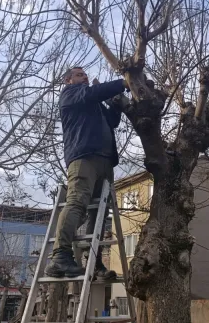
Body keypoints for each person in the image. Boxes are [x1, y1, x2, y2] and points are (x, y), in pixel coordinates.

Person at [45, 66, 129, 279]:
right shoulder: (71, 95)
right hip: (84, 157)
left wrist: (116, 106)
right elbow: (94, 93)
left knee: (99, 212)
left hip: (104, 160)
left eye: (86, 75)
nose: (85, 77)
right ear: (68, 80)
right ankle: (60, 256)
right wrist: (123, 82)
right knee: (77, 201)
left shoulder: (93, 103)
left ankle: (94, 262)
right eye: (79, 75)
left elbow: (112, 121)